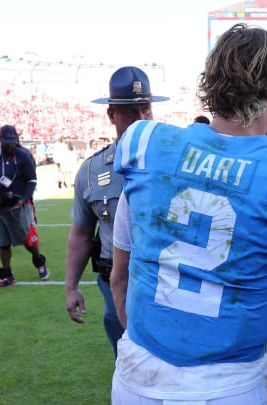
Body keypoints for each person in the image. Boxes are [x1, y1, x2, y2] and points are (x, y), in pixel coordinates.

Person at [109, 23, 267, 405]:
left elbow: (120, 276)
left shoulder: (144, 143)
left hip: (139, 373)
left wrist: (147, 348)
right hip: (228, 384)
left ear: (210, 85)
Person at [64, 65, 169, 357]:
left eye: (145, 109)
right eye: (130, 112)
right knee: (127, 361)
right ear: (111, 115)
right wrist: (70, 287)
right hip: (114, 285)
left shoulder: (177, 160)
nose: (141, 118)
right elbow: (82, 234)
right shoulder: (92, 171)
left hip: (167, 282)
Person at [0, 125, 49, 287]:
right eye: (6, 142)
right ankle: (7, 275)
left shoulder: (23, 156)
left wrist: (23, 199)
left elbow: (31, 180)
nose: (9, 145)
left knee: (27, 241)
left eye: (12, 142)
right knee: (3, 243)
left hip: (18, 205)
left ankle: (39, 263)